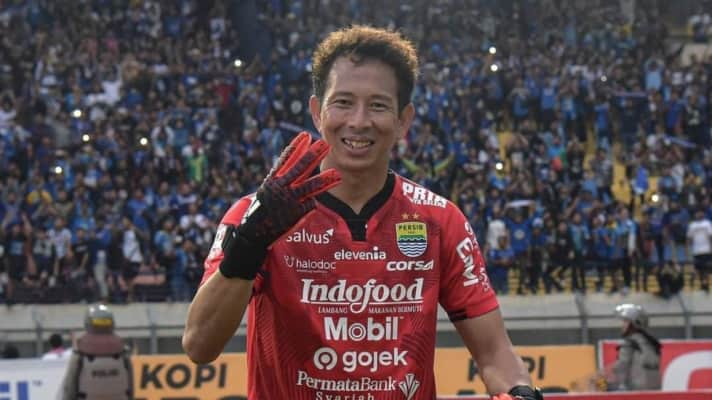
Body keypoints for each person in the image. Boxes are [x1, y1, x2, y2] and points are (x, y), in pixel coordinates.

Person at [183, 25, 541, 400]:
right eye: (343, 102)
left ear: (404, 120)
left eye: (378, 105)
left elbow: (495, 353)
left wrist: (520, 391)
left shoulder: (440, 220)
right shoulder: (254, 216)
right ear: (316, 112)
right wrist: (249, 244)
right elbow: (199, 345)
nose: (358, 121)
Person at [59, 304, 133, 400]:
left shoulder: (79, 351)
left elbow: (70, 385)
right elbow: (130, 384)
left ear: (88, 323)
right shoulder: (123, 350)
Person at [607, 303, 661, 391]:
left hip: (634, 391)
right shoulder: (651, 343)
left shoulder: (629, 343)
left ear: (634, 323)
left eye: (625, 321)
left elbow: (622, 367)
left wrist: (609, 382)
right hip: (654, 391)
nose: (622, 325)